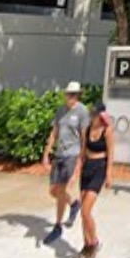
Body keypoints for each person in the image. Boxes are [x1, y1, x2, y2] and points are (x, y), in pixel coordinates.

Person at [41, 81, 89, 245]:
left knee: (62, 189)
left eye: (73, 94)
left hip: (72, 155)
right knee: (53, 191)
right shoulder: (61, 111)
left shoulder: (82, 111)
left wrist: (81, 160)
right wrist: (46, 153)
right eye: (68, 94)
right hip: (59, 155)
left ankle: (57, 226)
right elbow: (54, 132)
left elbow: (84, 137)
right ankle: (74, 204)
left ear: (78, 96)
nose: (70, 97)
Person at [74, 101, 114, 258]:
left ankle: (94, 243)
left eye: (95, 114)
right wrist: (78, 169)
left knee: (85, 210)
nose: (93, 116)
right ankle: (86, 245)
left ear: (102, 115)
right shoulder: (87, 129)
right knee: (83, 212)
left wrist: (109, 174)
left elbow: (111, 153)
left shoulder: (107, 130)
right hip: (87, 168)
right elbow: (83, 151)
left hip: (100, 168)